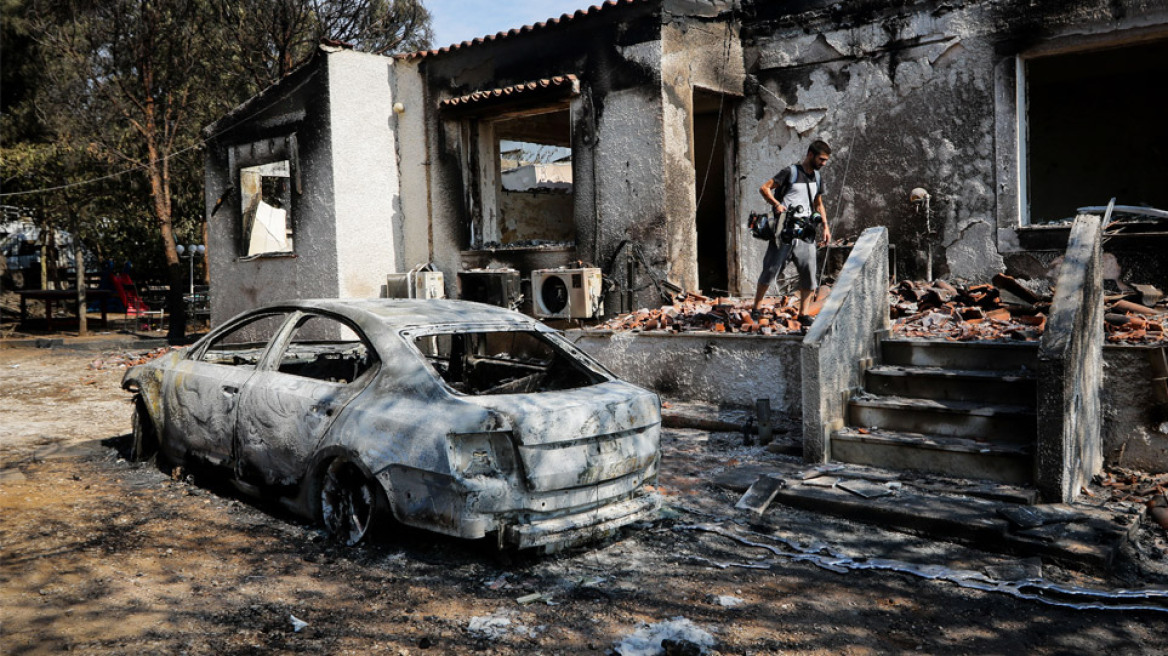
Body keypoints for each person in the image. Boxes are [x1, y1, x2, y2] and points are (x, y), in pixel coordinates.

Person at [753, 139, 832, 325]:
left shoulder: (818, 178)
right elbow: (764, 188)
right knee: (770, 270)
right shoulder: (791, 172)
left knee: (808, 274)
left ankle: (803, 314)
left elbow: (818, 203)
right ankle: (756, 308)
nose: (823, 164)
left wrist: (826, 227)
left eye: (826, 160)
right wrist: (777, 205)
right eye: (821, 159)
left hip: (806, 233)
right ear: (810, 154)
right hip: (785, 232)